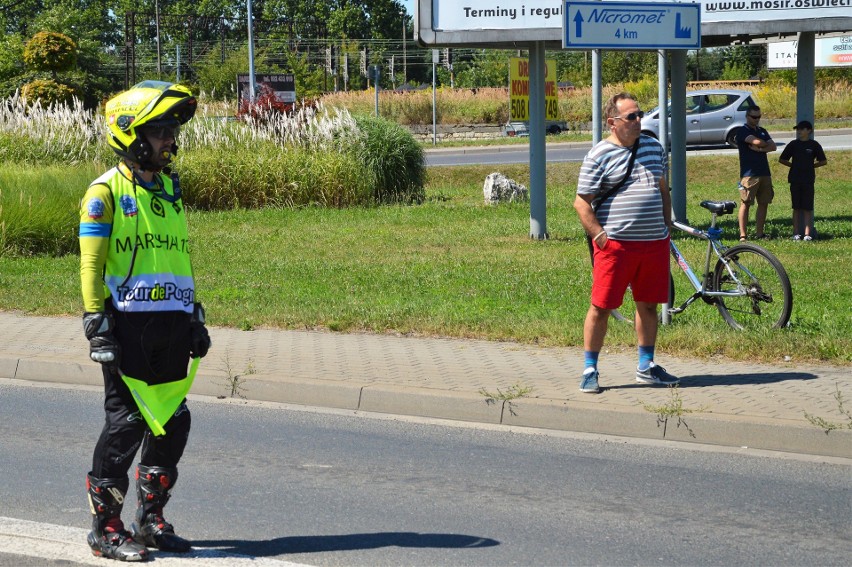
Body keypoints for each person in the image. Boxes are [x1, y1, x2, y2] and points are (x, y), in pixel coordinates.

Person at [79, 80, 211, 561]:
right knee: (127, 425)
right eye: (160, 131)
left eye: (172, 130)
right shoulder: (104, 193)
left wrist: (193, 314)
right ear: (130, 134)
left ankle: (149, 521)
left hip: (171, 324)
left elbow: (178, 257)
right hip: (127, 326)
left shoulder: (170, 189)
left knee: (172, 423)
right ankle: (106, 528)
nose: (170, 140)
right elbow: (91, 266)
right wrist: (96, 322)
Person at [573, 92, 679, 394]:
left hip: (654, 244)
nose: (638, 120)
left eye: (639, 114)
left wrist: (666, 226)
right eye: (631, 116)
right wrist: (600, 236)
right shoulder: (599, 154)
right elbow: (581, 203)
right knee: (601, 307)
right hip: (616, 246)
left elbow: (662, 190)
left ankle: (646, 367)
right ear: (612, 122)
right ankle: (590, 369)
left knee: (647, 305)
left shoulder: (653, 148)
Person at [778, 120, 827, 241]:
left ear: (809, 131)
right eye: (798, 129)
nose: (799, 131)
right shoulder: (793, 144)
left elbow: (823, 161)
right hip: (795, 179)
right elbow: (782, 159)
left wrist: (811, 167)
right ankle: (795, 233)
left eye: (801, 129)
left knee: (807, 207)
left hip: (808, 179)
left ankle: (807, 234)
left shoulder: (814, 145)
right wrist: (794, 166)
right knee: (796, 207)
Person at [735, 105, 777, 241]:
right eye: (754, 117)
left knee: (764, 203)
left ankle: (760, 233)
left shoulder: (762, 130)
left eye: (759, 117)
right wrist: (762, 144)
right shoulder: (742, 131)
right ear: (747, 116)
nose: (757, 119)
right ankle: (743, 235)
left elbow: (773, 146)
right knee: (745, 203)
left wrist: (759, 149)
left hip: (764, 172)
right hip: (749, 174)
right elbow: (757, 141)